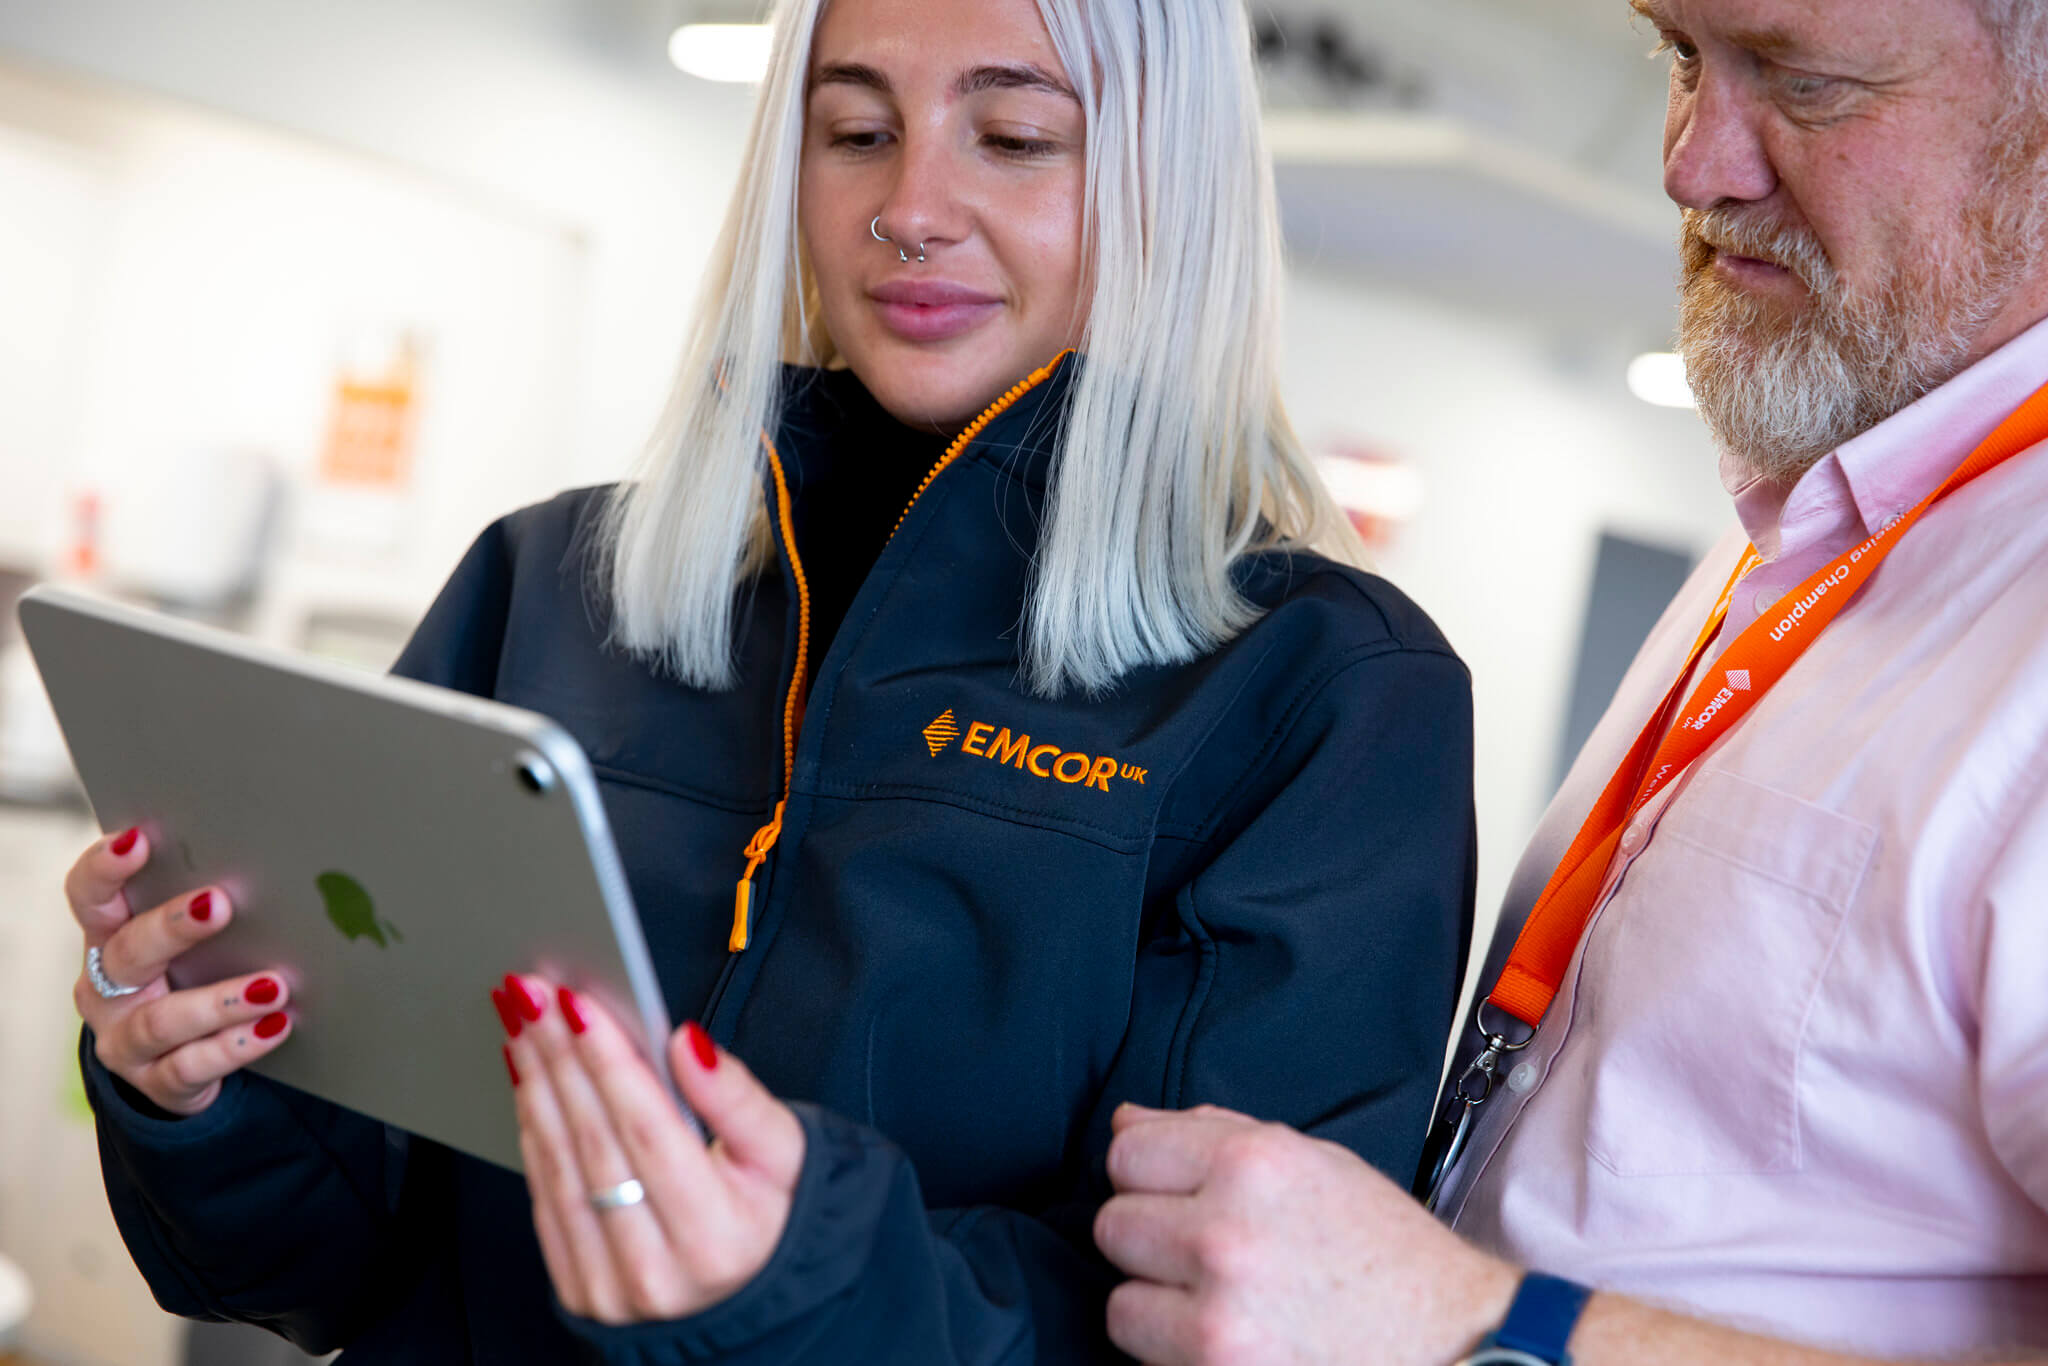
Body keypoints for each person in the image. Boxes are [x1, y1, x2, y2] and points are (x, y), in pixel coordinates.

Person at [61, 0, 1477, 1360]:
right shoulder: (550, 586)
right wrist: (196, 1091)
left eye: (1016, 138)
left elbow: (1220, 1324)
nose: (911, 206)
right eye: (856, 131)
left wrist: (791, 1277)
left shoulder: (1326, 697)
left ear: (1176, 182)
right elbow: (316, 1264)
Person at [1091, 0, 2048, 1362]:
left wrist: (1491, 1320)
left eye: (1801, 79)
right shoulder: (1808, 521)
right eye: (1678, 56)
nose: (1692, 160)